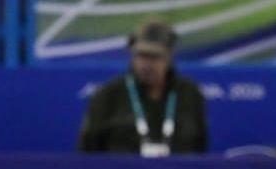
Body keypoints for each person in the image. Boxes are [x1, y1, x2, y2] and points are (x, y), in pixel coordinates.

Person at [78, 19, 208, 156]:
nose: (147, 64)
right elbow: (87, 154)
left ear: (169, 57)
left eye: (155, 56)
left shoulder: (189, 94)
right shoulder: (107, 95)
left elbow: (200, 149)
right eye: (142, 55)